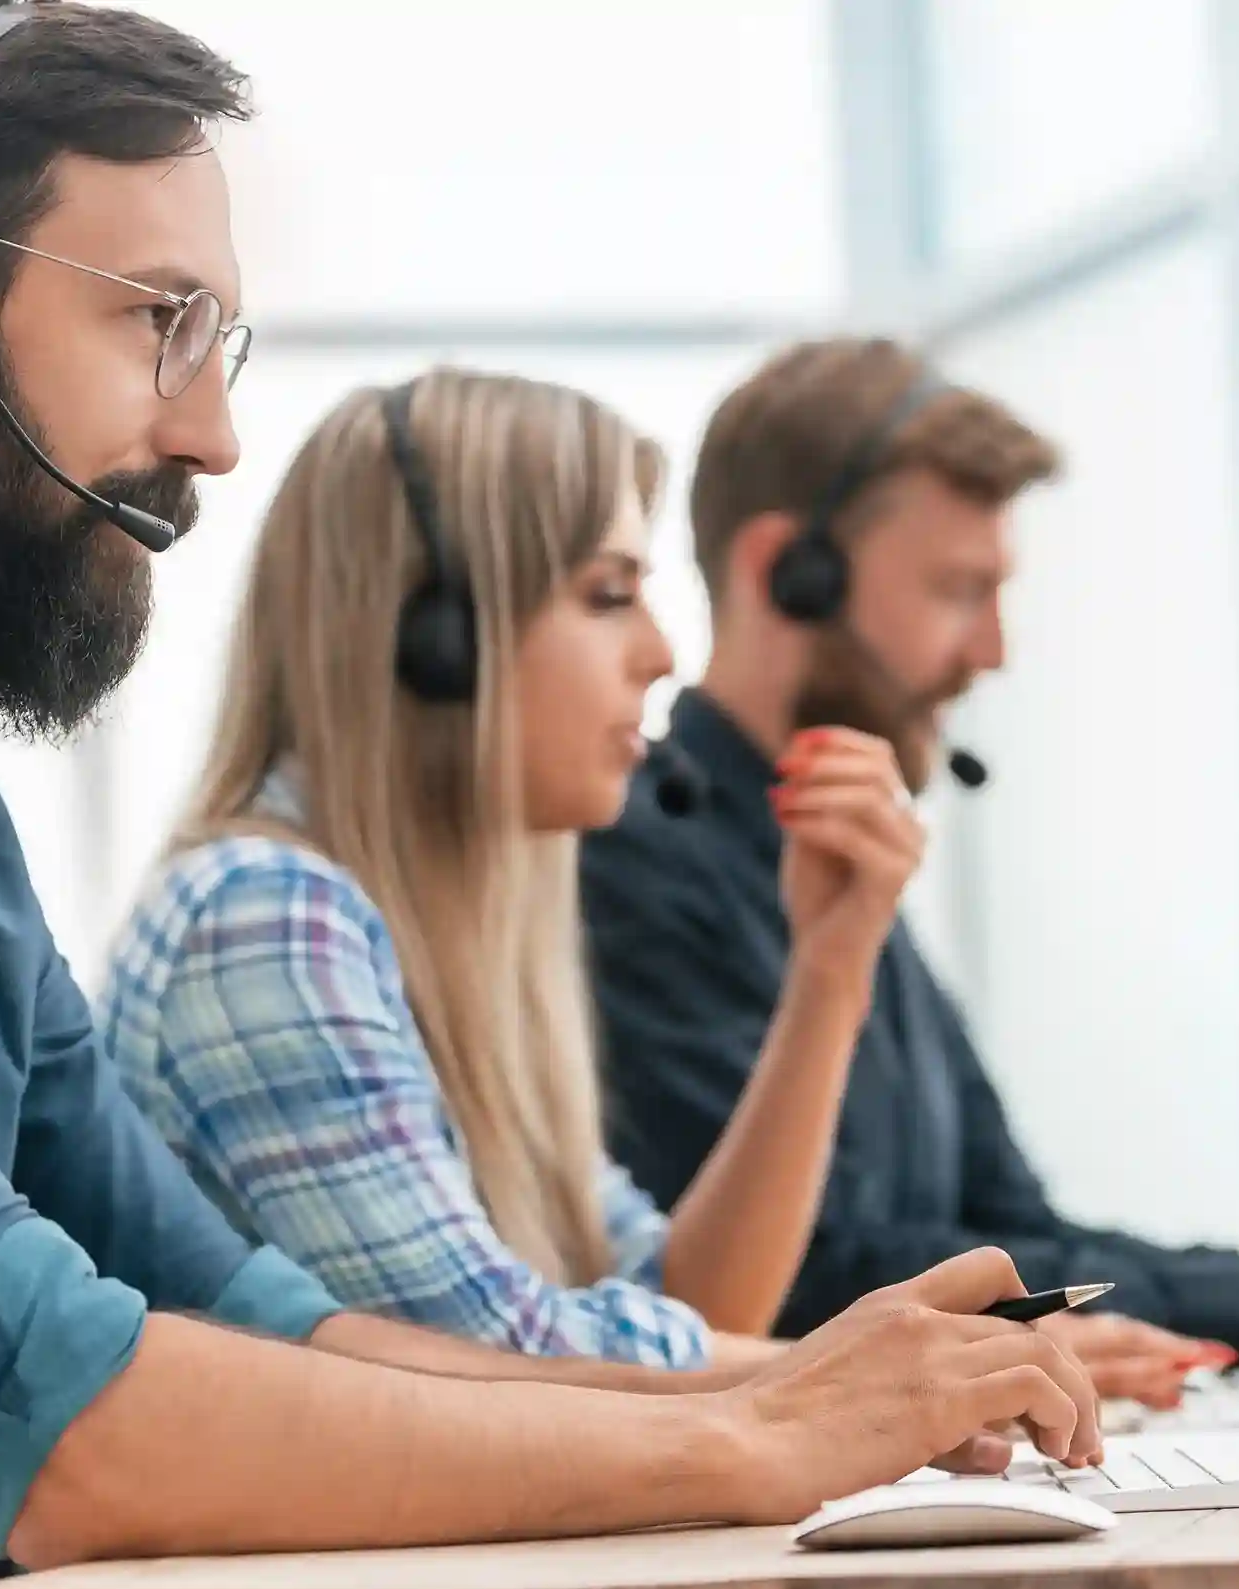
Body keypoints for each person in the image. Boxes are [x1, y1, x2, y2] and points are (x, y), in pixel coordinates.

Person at [0, 18, 1097, 1589]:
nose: (210, 434)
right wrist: (752, 1446)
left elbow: (247, 1311)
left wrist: (773, 1396)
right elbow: (51, 1413)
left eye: (220, 341)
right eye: (157, 323)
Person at [582, 336, 1239, 1360]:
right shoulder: (627, 864)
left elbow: (1011, 1230)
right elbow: (810, 1278)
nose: (992, 650)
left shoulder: (840, 872)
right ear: (785, 573)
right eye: (955, 589)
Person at [103, 367, 980, 1370]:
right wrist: (872, 1366)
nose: (659, 653)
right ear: (438, 640)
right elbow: (504, 1359)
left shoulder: (457, 936)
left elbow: (693, 1300)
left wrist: (830, 966)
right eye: (608, 595)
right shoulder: (262, 915)